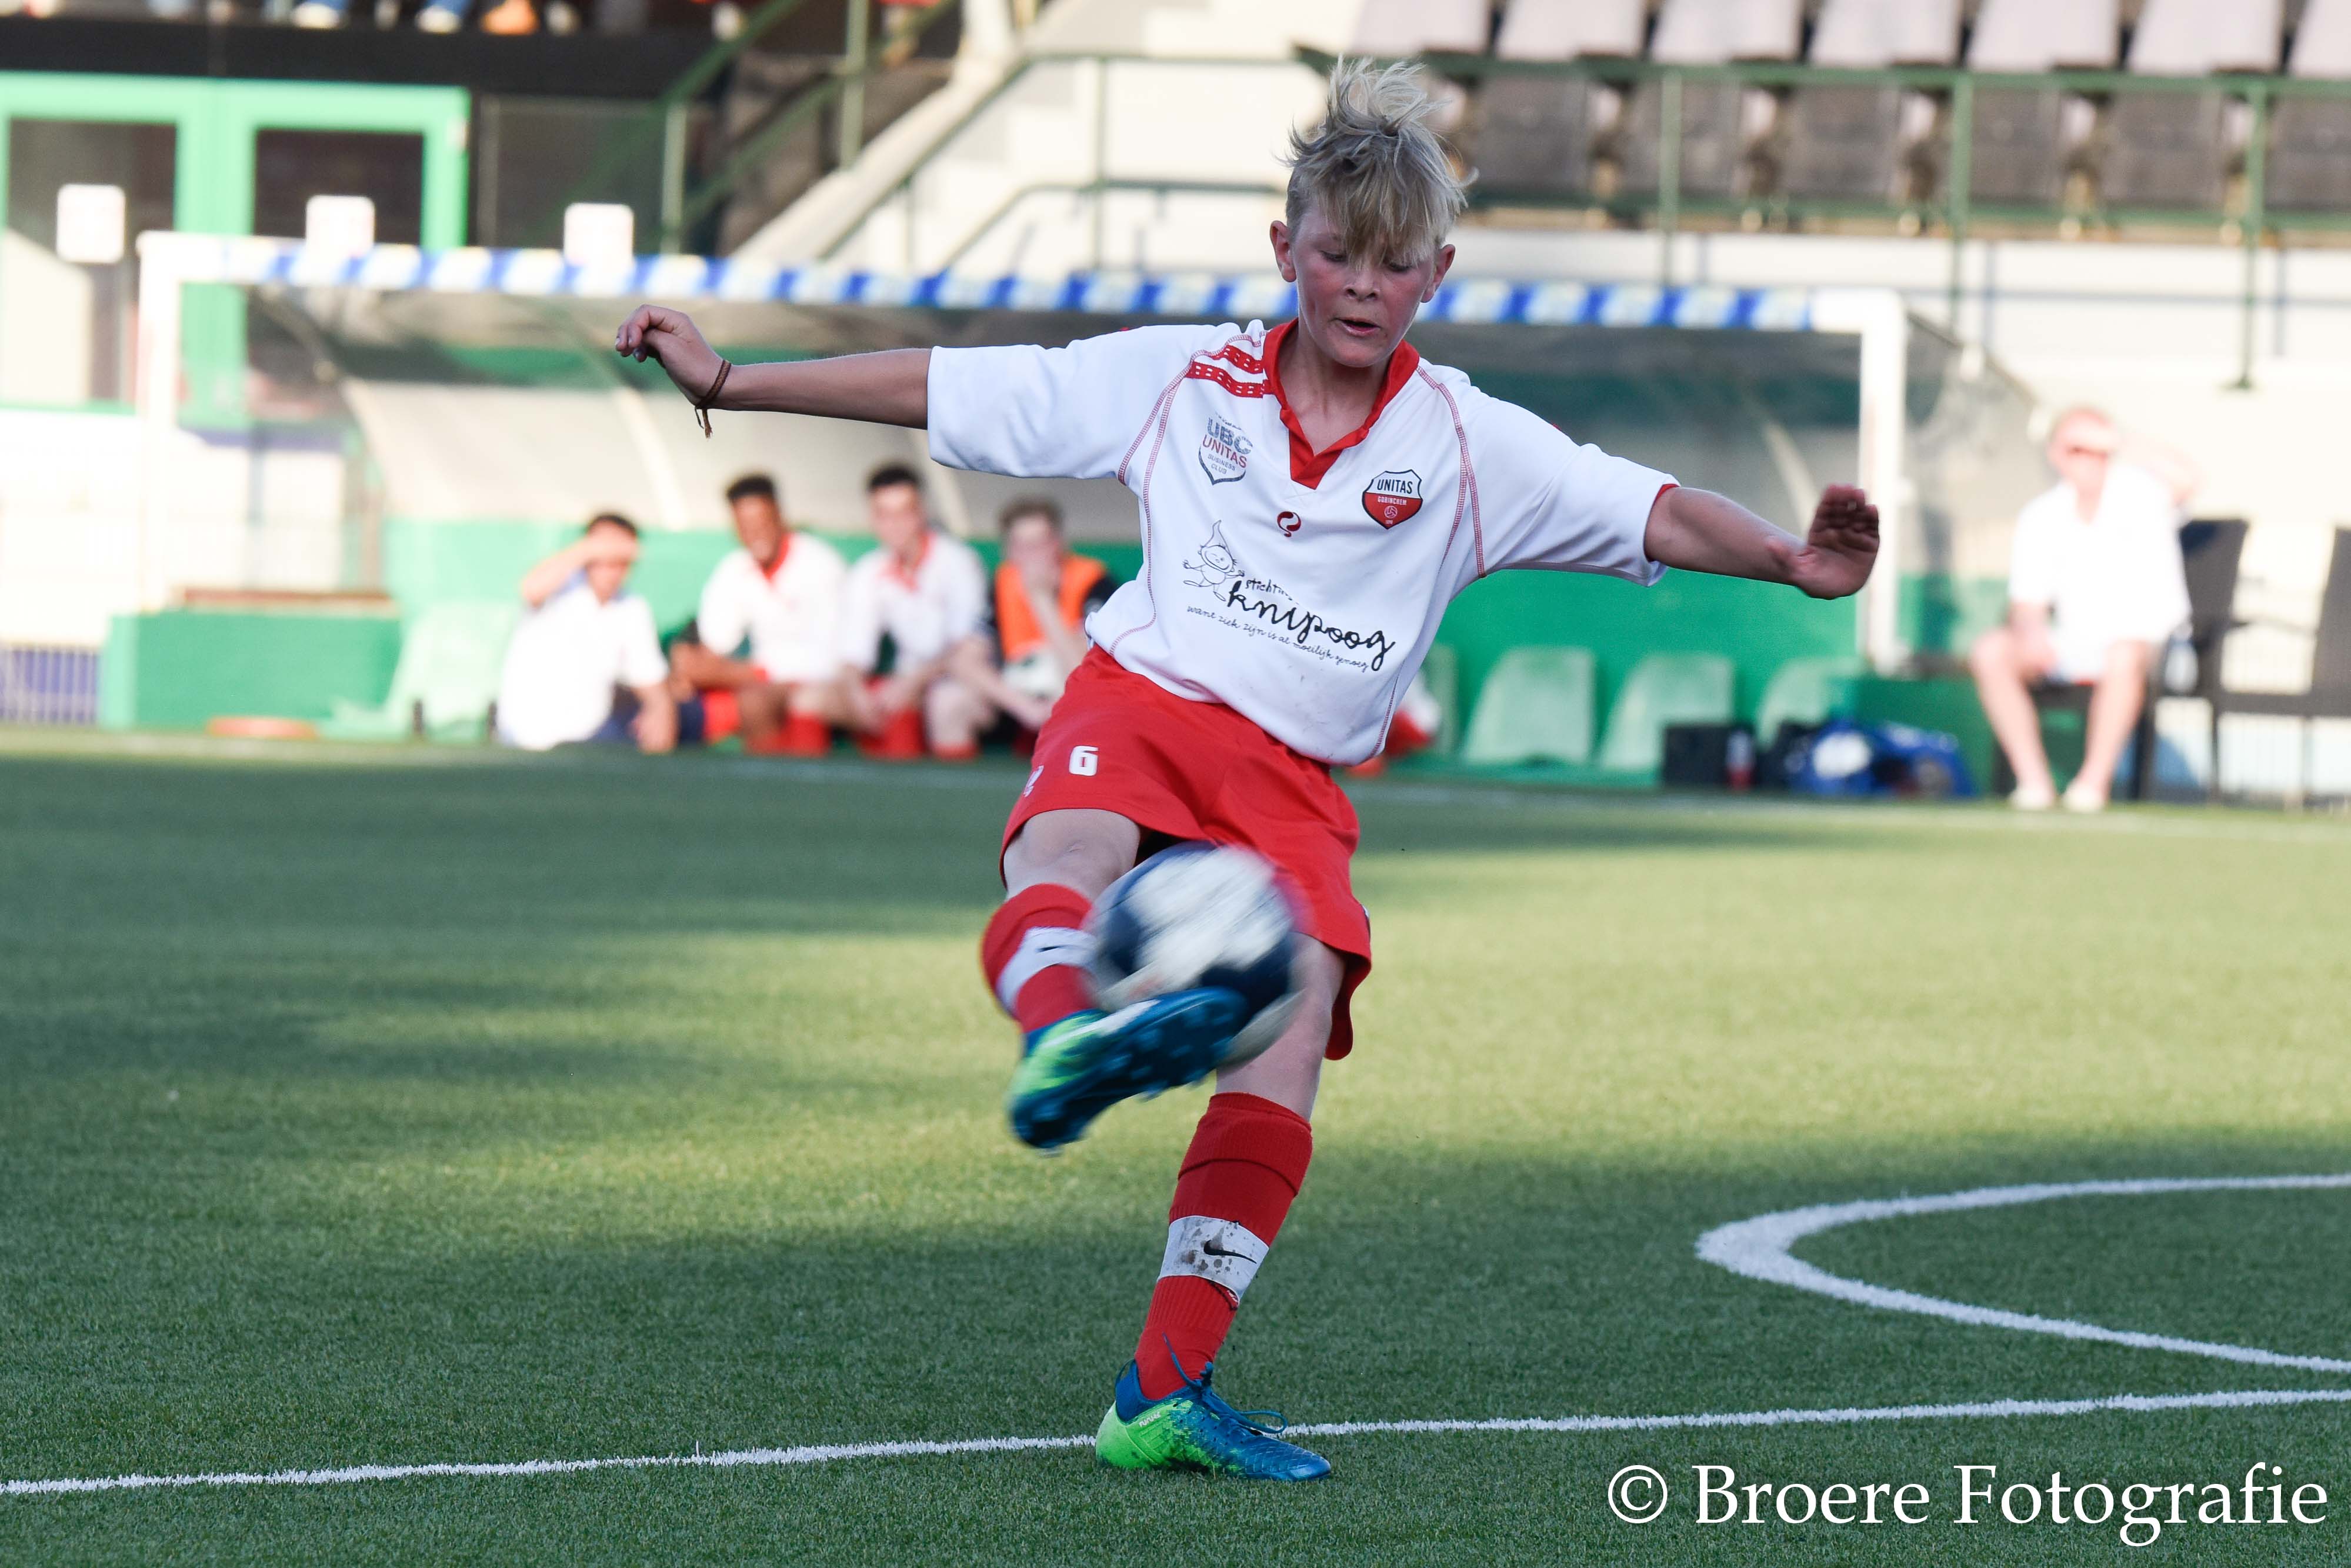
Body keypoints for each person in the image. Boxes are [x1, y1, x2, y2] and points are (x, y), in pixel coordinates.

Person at [613, 59, 1876, 1482]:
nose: (1360, 285)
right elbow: (950, 387)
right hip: (1147, 699)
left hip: (1297, 781)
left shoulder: (1470, 444)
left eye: (1392, 264)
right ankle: (1061, 1037)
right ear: (1285, 248)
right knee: (1067, 851)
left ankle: (1161, 1390)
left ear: (1436, 276)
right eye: (1335, 253)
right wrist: (733, 380)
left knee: (1295, 1018)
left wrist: (1790, 559)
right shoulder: (1181, 377)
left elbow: (1647, 504)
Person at [1969, 406, 2197, 813]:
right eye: (2078, 448)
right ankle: (2033, 783)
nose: (2090, 459)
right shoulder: (2041, 515)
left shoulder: (2142, 494)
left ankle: (2092, 784)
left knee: (2123, 652)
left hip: (2153, 647)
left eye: (2098, 450)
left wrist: (2124, 439)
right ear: (2055, 453)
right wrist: (2030, 633)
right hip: (2075, 644)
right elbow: (2028, 602)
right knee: (1990, 650)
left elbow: (2189, 479)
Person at [671, 473, 848, 755]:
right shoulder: (735, 568)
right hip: (764, 680)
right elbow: (716, 640)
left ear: (779, 516)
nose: (755, 534)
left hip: (822, 680)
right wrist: (689, 664)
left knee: (783, 700)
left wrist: (760, 672)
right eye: (745, 526)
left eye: (762, 522)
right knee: (727, 697)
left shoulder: (821, 563)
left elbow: (836, 654)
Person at [833, 465, 992, 759]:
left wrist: (912, 681)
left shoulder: (958, 562)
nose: (895, 525)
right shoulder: (870, 570)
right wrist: (855, 690)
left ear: (921, 513)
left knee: (943, 699)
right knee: (817, 698)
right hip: (906, 680)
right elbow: (853, 652)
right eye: (885, 515)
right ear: (873, 519)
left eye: (904, 513)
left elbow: (965, 649)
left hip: (964, 678)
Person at [495, 513, 675, 753]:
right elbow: (530, 589)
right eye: (604, 553)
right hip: (527, 737)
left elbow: (647, 674)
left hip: (592, 738)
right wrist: (593, 548)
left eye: (620, 560)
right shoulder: (559, 588)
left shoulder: (632, 607)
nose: (612, 565)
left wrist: (660, 709)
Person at [950, 497, 1120, 733]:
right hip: (1018, 696)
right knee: (948, 700)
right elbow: (965, 661)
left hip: (1072, 692)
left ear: (1058, 543)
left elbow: (1081, 669)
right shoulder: (1003, 582)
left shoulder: (1093, 582)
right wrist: (1024, 708)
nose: (1033, 555)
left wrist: (1042, 600)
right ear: (1009, 551)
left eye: (1040, 544)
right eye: (1023, 546)